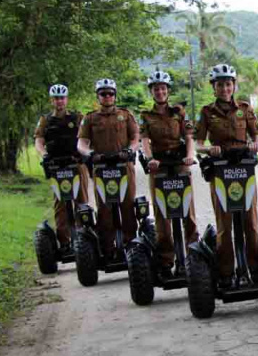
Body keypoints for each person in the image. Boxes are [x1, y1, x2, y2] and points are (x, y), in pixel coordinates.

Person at [194, 64, 258, 288]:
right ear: (213, 88)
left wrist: (255, 145)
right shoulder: (207, 112)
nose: (224, 88)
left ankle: (255, 270)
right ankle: (226, 273)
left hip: (244, 169)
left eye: (228, 84)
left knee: (250, 223)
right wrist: (209, 149)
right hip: (220, 169)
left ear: (233, 86)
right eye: (220, 85)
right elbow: (198, 143)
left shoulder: (245, 109)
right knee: (224, 224)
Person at [139, 70, 199, 277]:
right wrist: (149, 160)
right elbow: (145, 141)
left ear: (168, 90)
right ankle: (166, 261)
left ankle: (194, 255)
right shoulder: (146, 115)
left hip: (180, 164)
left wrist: (190, 156)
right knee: (162, 214)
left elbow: (189, 136)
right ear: (152, 92)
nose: (160, 92)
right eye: (156, 89)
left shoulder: (179, 112)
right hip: (159, 167)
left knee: (187, 212)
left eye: (163, 88)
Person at [77, 79, 140, 256]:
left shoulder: (125, 115)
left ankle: (132, 246)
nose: (107, 97)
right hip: (101, 167)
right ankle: (108, 249)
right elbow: (81, 142)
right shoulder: (90, 118)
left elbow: (136, 137)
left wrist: (130, 150)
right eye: (103, 94)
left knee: (127, 206)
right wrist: (88, 153)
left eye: (110, 93)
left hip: (123, 166)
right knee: (104, 209)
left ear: (115, 95)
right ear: (98, 96)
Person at [34, 84, 90, 251]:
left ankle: (84, 235)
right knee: (61, 204)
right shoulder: (45, 120)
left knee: (81, 200)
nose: (59, 101)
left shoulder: (77, 117)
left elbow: (87, 136)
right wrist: (44, 155)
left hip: (76, 163)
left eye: (62, 98)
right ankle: (64, 242)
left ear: (67, 99)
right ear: (52, 100)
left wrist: (86, 152)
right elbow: (39, 141)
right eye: (56, 98)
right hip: (57, 166)